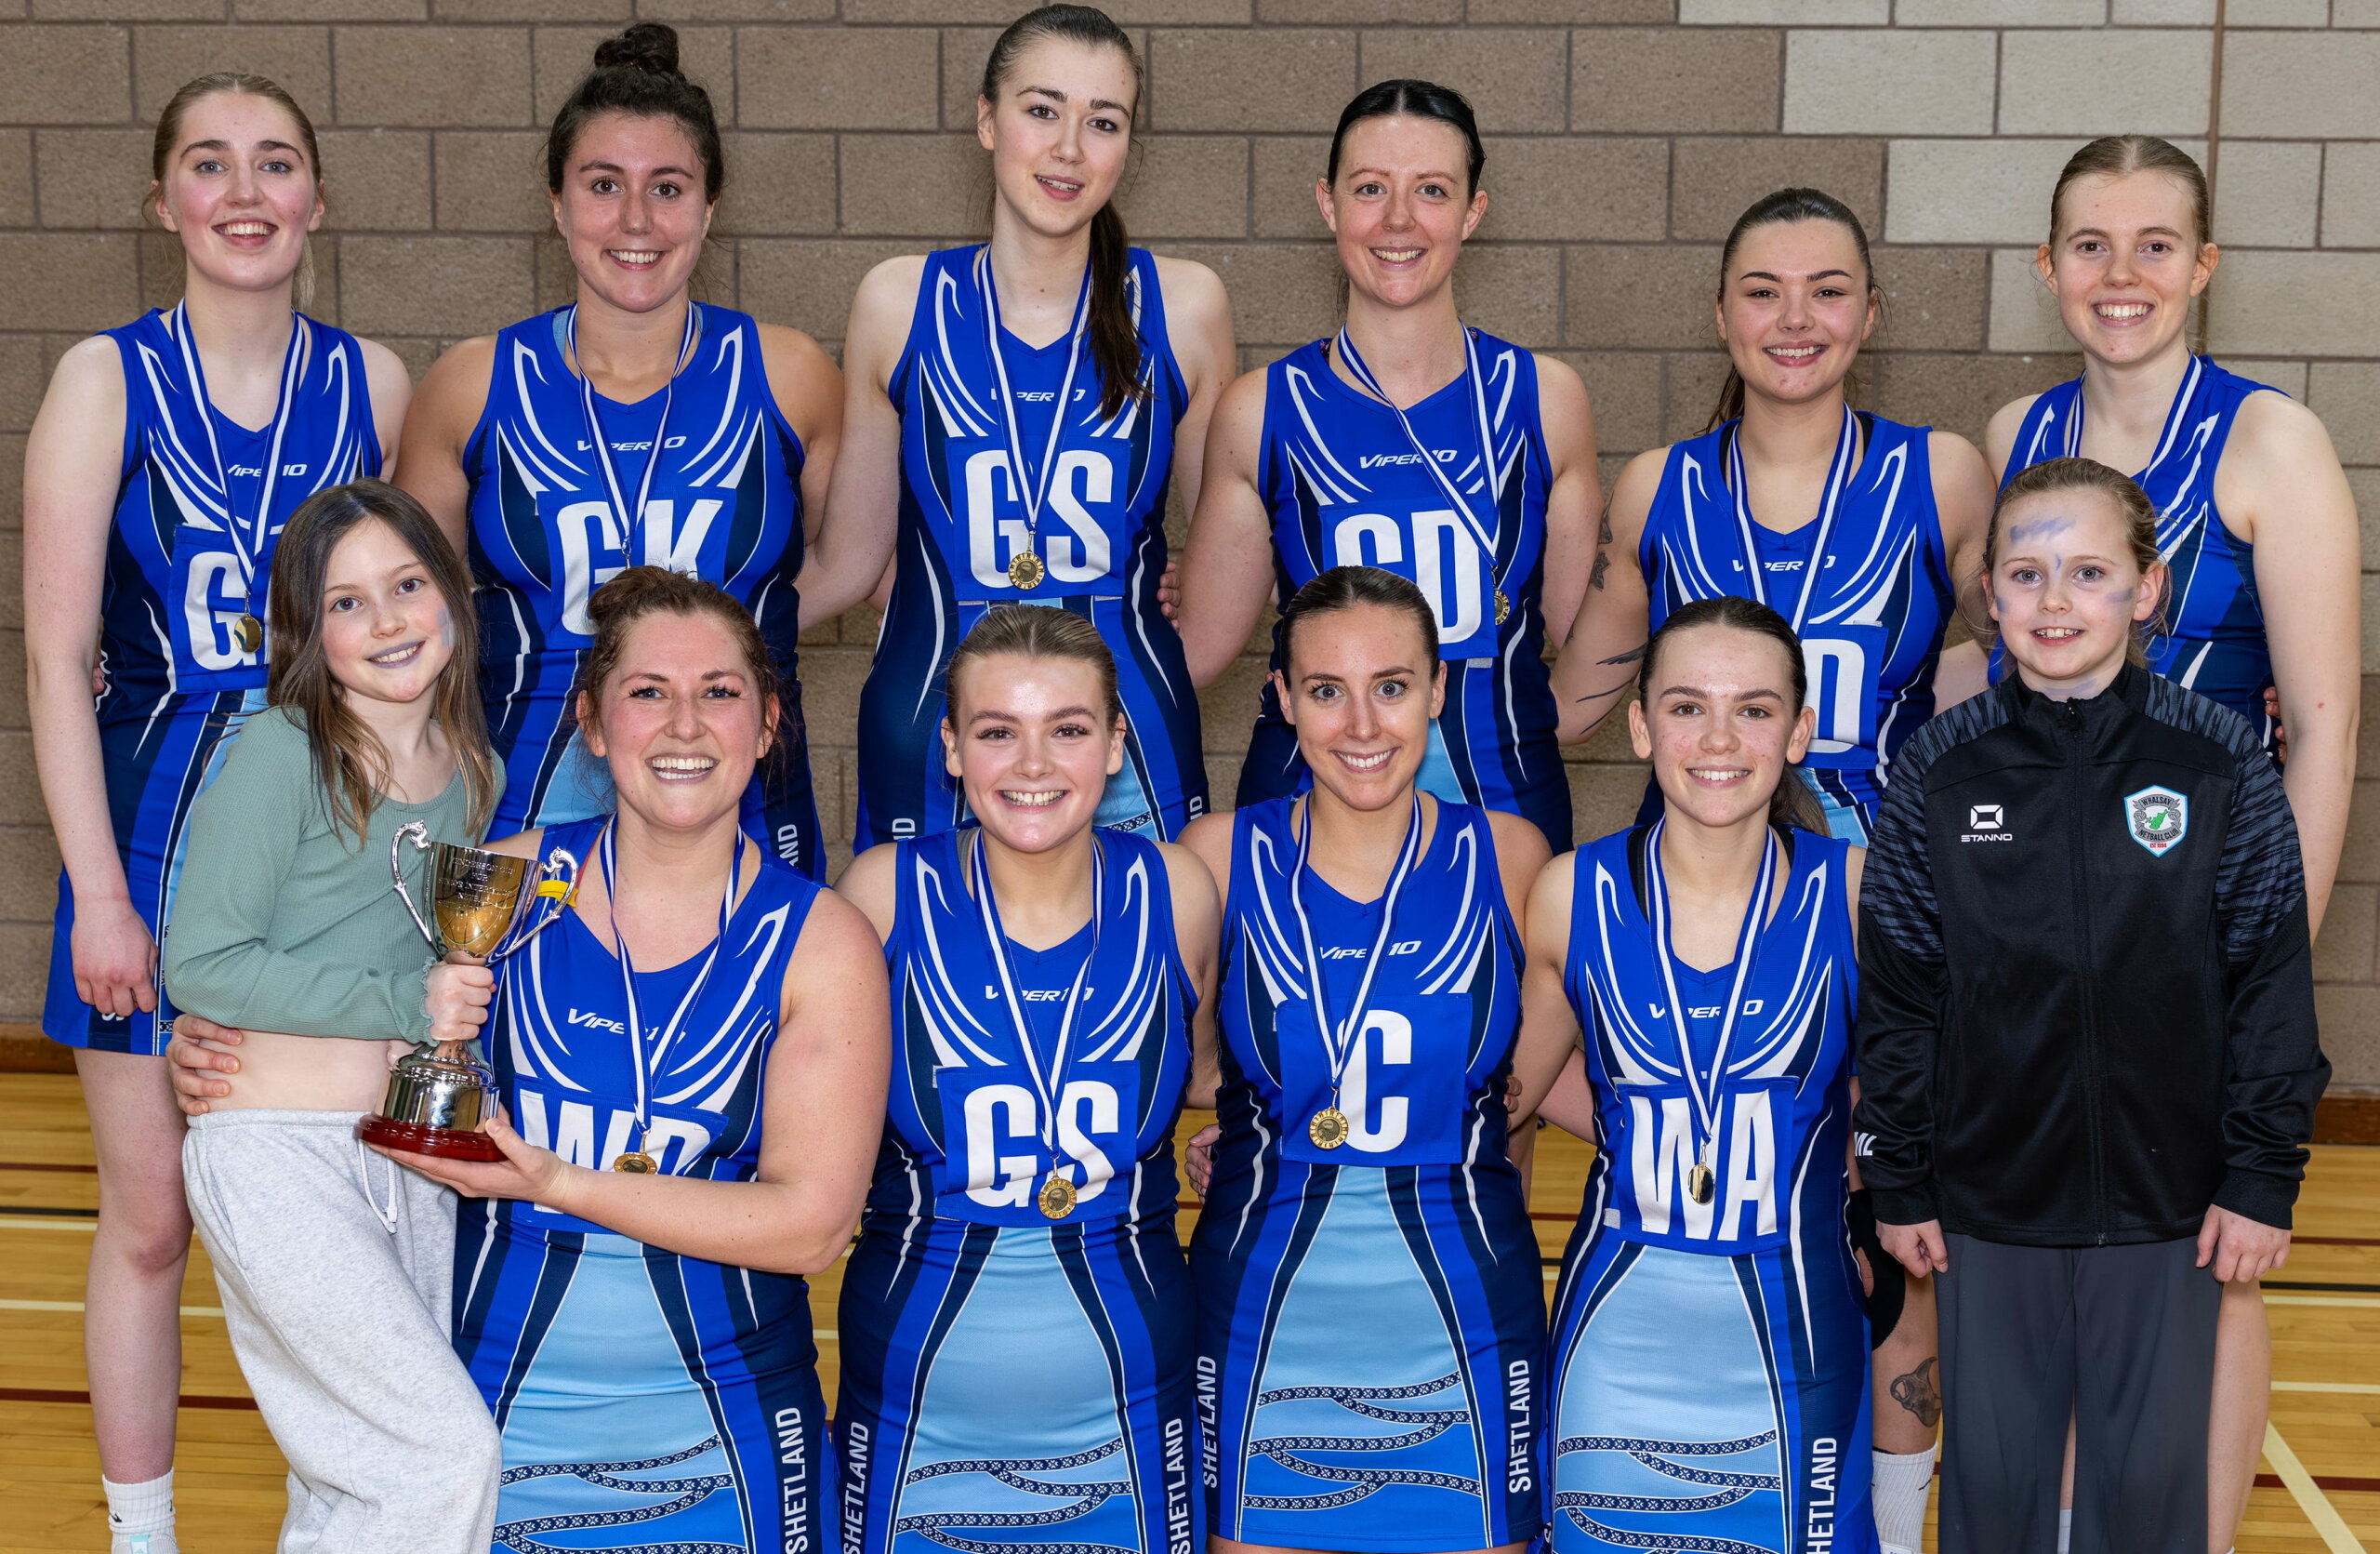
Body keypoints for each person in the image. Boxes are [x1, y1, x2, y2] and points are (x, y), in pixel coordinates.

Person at [174, 568, 888, 1551]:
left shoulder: (822, 939)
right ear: (591, 723)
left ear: (768, 724)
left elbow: (811, 1228)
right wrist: (226, 1048)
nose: (685, 724)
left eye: (719, 692)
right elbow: (341, 1008)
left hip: (730, 1441)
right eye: (648, 692)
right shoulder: (496, 885)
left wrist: (556, 1183)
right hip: (498, 1428)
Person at [1546, 187, 1987, 1547]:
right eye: (1762, 289)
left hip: (1880, 915)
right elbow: (1565, 696)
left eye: (1828, 289)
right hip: (1710, 904)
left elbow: (2028, 645)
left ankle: (1883, 1522)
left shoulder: (1939, 474)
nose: (1795, 319)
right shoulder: (1660, 487)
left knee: (1894, 1259)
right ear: (1719, 312)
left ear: (1872, 311)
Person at [22, 71, 409, 1554]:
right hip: (152, 831)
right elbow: (54, 659)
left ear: (318, 196)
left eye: (274, 162)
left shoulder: (371, 384)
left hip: (326, 850)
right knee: (151, 1220)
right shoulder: (103, 380)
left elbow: (403, 642)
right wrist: (98, 892)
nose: (244, 192)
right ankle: (141, 1533)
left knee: (336, 1209)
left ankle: (351, 1504)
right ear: (162, 200)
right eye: (208, 163)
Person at [1985, 136, 2361, 1552]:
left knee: (2212, 1261)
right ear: (2048, 266)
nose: (2121, 273)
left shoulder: (2272, 443)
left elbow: (2322, 726)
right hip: (2039, 941)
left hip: (2197, 941)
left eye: (2155, 244)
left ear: (2204, 266)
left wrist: (2267, 970)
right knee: (2054, 1252)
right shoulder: (2016, 436)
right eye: (2090, 243)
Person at [1855, 457, 2328, 1554]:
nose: (2053, 600)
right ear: (1989, 593)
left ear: (2145, 588)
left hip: (2170, 1206)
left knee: (2150, 1501)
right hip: (1987, 1207)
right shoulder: (1937, 768)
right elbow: (1901, 993)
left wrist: (2261, 1176)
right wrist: (1901, 1177)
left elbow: (2269, 980)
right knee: (1994, 1498)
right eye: (2025, 574)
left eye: (2088, 572)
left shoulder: (2219, 760)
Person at [397, 21, 842, 874]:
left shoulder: (790, 375)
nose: (637, 218)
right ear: (556, 203)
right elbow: (413, 609)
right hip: (518, 793)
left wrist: (722, 650)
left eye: (668, 187)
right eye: (604, 184)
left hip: (734, 782)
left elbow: (847, 563)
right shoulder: (469, 385)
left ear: (710, 207)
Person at [1177, 565, 1559, 1554]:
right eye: (1324, 690)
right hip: (1262, 1306)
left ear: (1437, 689)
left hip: (1466, 1307)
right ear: (1280, 697)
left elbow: (1544, 1080)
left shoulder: (1512, 857)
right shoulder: (1213, 857)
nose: (1360, 725)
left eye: (1391, 686)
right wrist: (1246, 1119)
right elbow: (1180, 1066)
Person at [832, 605, 1221, 1554]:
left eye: (1068, 729)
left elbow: (1207, 1073)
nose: (1034, 764)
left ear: (1116, 744)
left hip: (1132, 1401)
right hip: (914, 1398)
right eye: (998, 731)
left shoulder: (1177, 891)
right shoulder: (880, 894)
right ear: (952, 747)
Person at [161, 482, 503, 1553]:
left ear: (450, 592)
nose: (387, 619)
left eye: (406, 584)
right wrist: (403, 1004)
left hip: (403, 1158)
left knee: (353, 1487)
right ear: (308, 631)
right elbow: (202, 963)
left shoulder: (472, 770)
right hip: (276, 1157)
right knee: (442, 1456)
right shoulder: (283, 752)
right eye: (346, 603)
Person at [801, 3, 1234, 848]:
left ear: (1127, 145)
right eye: (1042, 110)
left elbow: (1228, 567)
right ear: (986, 120)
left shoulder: (1184, 307)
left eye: (1102, 122)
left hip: (1127, 741)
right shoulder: (898, 301)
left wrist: (1155, 628)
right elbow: (851, 559)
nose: (1069, 147)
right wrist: (690, 637)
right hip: (930, 732)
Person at [1510, 594, 1874, 1554]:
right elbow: (1501, 1096)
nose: (1718, 738)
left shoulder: (1855, 892)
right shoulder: (1570, 895)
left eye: (1754, 709)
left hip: (1799, 1340)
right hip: (1616, 1341)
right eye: (1685, 706)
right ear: (1639, 726)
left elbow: (1912, 1096)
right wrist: (1281, 1123)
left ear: (1798, 731)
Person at [1175, 81, 1600, 853]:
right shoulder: (1262, 410)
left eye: (1431, 190)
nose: (1398, 219)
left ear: (1472, 212)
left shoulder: (1545, 399)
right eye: (1370, 188)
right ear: (1328, 203)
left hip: (1506, 812)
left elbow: (1585, 638)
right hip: (1304, 813)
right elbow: (1195, 649)